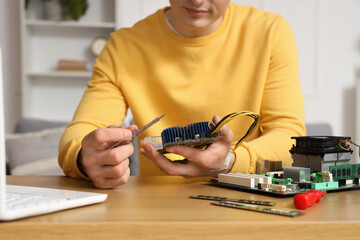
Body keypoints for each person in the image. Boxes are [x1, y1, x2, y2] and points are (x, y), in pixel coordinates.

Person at [58, 0, 306, 189]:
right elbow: (80, 134)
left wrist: (230, 162)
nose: (197, 0)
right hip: (158, 214)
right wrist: (84, 158)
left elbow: (290, 137)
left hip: (249, 203)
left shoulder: (270, 32)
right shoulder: (123, 47)